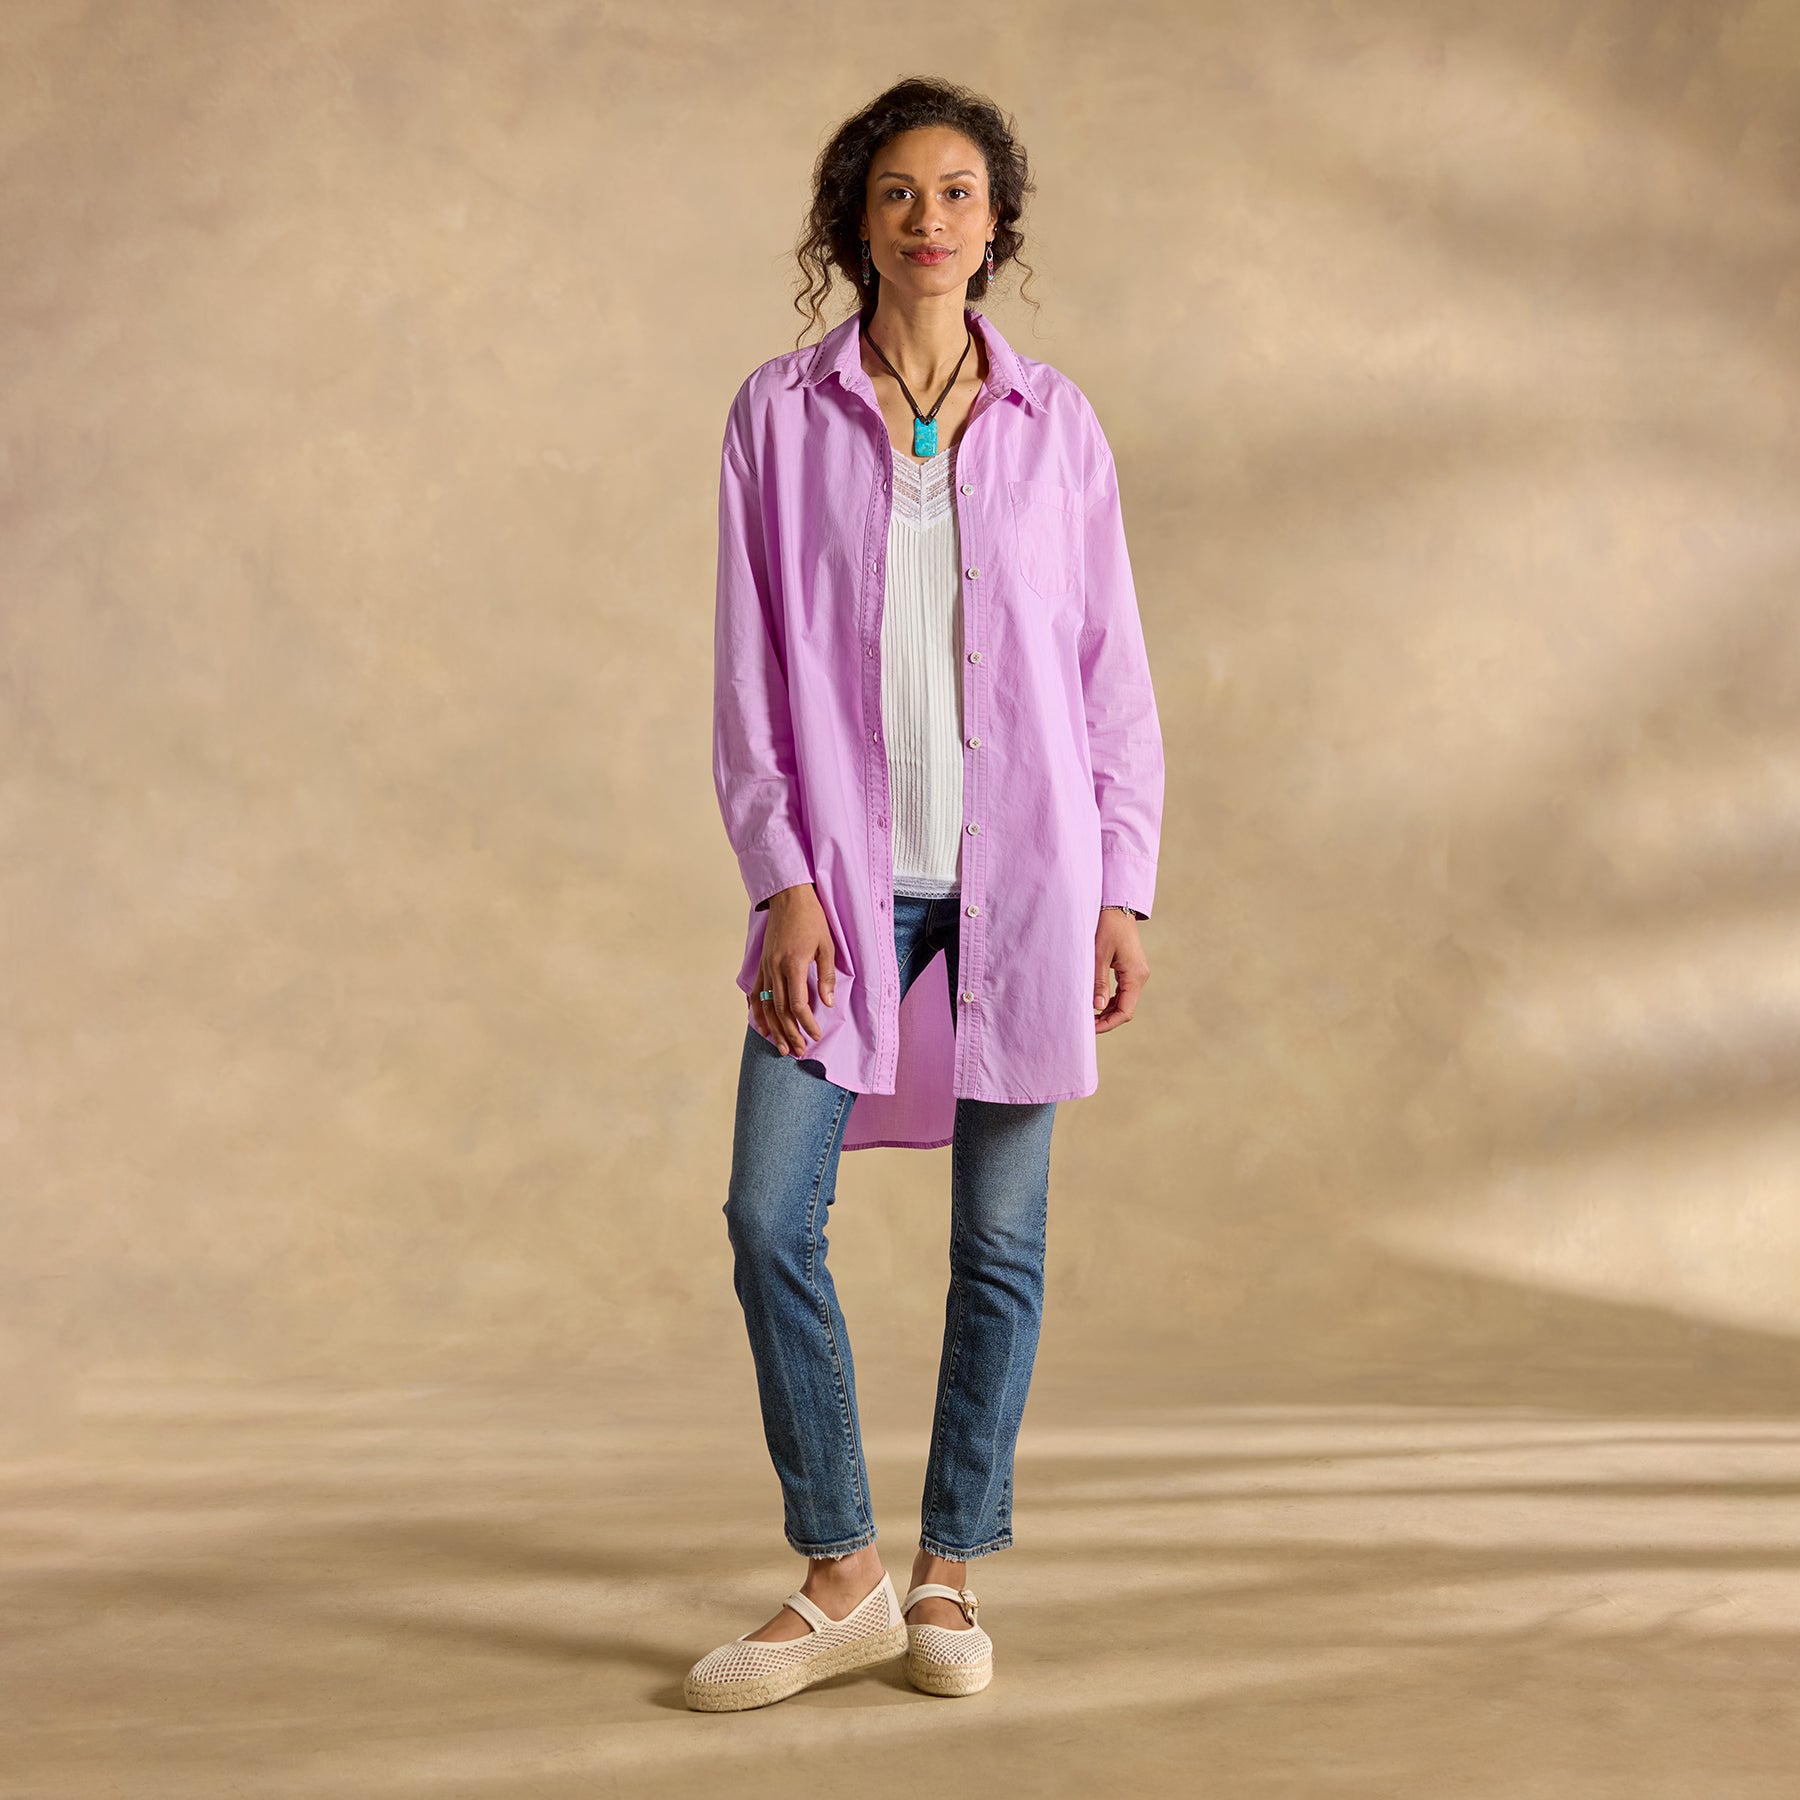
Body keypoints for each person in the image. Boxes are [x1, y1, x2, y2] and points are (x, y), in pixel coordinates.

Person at [686, 76, 1164, 1713]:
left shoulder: (1058, 425)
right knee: (769, 1217)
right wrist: (781, 877)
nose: (928, 218)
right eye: (897, 191)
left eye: (957, 191)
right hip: (845, 885)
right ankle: (843, 1575)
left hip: (1028, 883)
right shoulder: (775, 414)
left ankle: (953, 1568)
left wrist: (1123, 888)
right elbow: (749, 672)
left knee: (1000, 1248)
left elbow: (1108, 674)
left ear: (995, 220)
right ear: (857, 220)